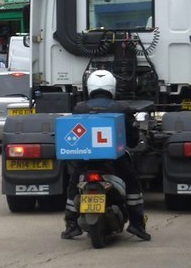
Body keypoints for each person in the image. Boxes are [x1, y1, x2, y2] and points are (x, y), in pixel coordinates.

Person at [61, 70, 151, 241]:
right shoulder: (122, 108)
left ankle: (71, 226)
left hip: (86, 159)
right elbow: (132, 141)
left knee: (73, 184)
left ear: (89, 87)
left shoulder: (79, 109)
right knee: (133, 184)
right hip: (115, 159)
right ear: (112, 87)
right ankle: (137, 225)